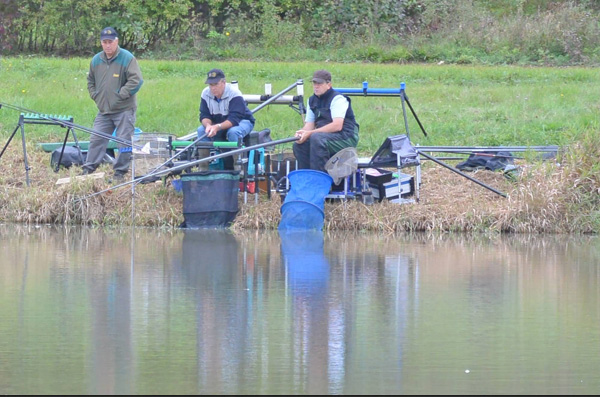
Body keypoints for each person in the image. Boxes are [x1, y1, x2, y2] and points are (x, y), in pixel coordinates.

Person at [82, 27, 143, 181]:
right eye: (105, 42)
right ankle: (88, 170)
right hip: (104, 110)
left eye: (110, 42)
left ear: (117, 42)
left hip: (124, 109)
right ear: (101, 43)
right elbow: (90, 80)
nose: (107, 45)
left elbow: (136, 81)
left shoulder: (127, 58)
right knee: (96, 139)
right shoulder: (96, 60)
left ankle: (120, 172)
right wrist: (94, 95)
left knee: (123, 141)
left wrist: (121, 94)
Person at [293, 69, 359, 173]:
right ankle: (306, 177)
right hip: (323, 137)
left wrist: (310, 133)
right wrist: (301, 134)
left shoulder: (338, 99)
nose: (316, 86)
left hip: (346, 137)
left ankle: (321, 179)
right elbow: (309, 126)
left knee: (316, 138)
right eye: (314, 83)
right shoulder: (311, 100)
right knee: (299, 144)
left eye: (319, 83)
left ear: (329, 84)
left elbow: (337, 126)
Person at [196, 68, 255, 170]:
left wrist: (217, 127)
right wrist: (209, 126)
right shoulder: (205, 94)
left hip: (242, 121)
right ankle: (203, 169)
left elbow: (234, 119)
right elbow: (204, 115)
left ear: (223, 83)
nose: (213, 88)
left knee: (233, 132)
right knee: (201, 130)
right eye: (211, 85)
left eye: (216, 84)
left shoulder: (234, 93)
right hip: (217, 123)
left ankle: (238, 168)